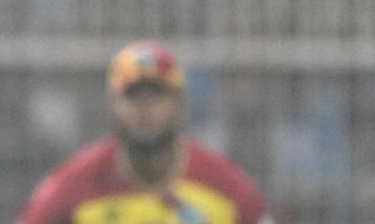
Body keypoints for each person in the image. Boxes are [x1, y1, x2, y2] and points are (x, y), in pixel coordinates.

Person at [18, 40, 272, 224]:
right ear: (112, 106)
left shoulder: (226, 188)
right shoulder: (73, 186)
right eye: (134, 95)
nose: (145, 108)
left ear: (181, 104)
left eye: (157, 94)